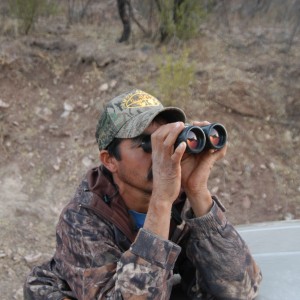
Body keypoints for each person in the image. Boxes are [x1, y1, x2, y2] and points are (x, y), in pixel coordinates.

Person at [24, 89, 262, 299]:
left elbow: (241, 290)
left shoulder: (182, 199)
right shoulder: (82, 218)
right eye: (147, 143)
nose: (161, 153)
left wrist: (196, 189)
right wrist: (161, 201)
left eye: (166, 139)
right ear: (110, 160)